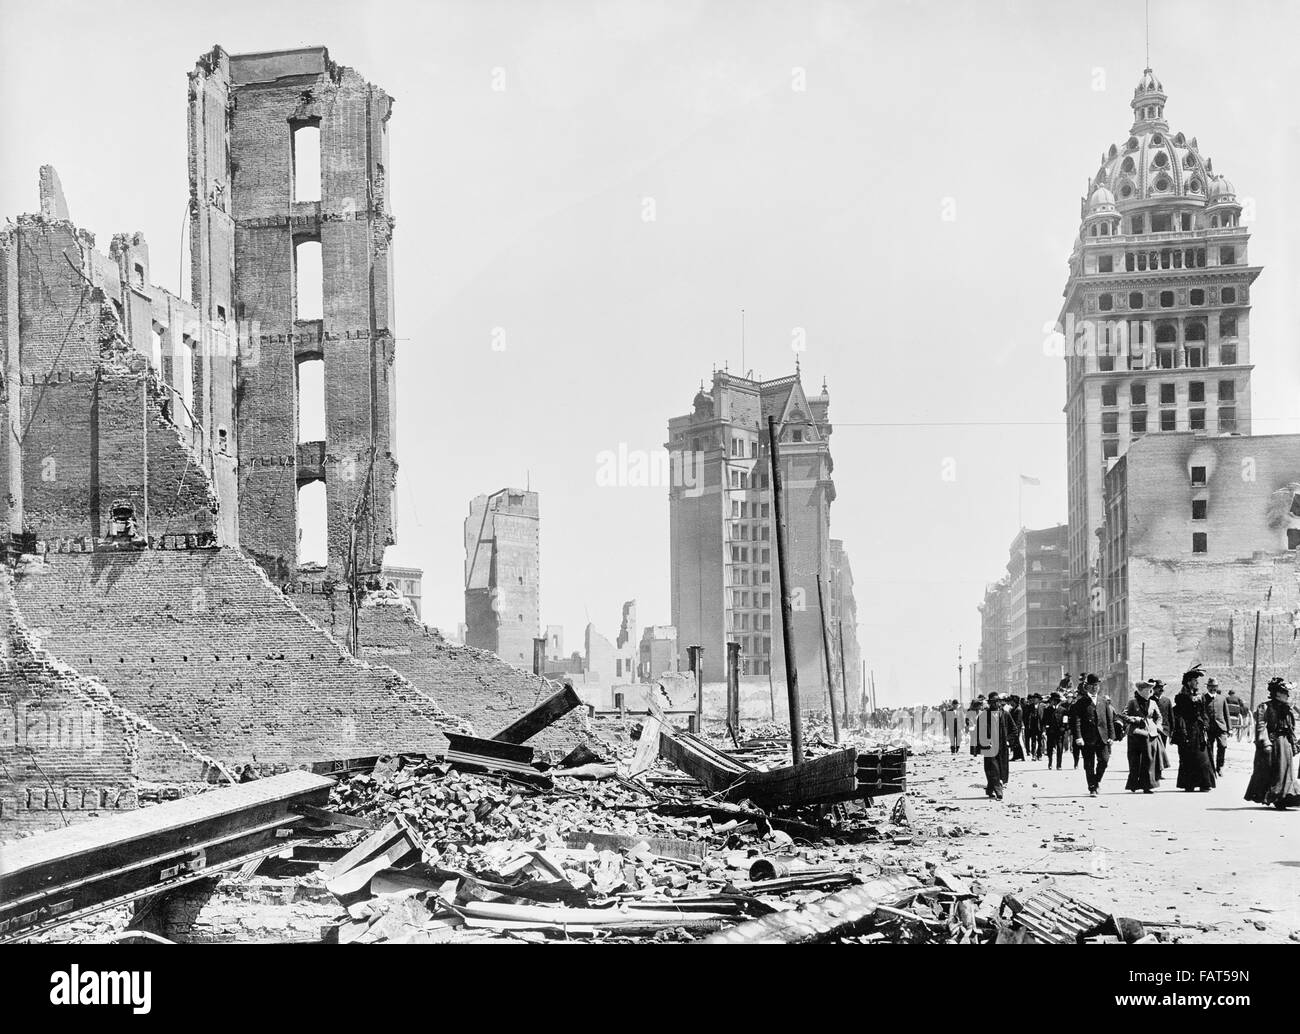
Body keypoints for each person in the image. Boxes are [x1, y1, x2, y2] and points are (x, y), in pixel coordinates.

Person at [1243, 678, 1300, 810]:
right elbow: (1261, 726)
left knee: (1287, 772)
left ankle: (1285, 797)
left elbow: (1292, 725)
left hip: (1286, 742)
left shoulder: (1288, 708)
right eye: (1285, 693)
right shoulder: (1265, 706)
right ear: (1277, 694)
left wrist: (1294, 707)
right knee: (1276, 772)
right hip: (1273, 743)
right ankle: (1277, 798)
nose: (1288, 695)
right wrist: (1265, 743)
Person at [1069, 673, 1122, 796]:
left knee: (1104, 760)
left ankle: (1096, 780)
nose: (1094, 688)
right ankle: (1092, 787)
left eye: (1096, 685)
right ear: (1086, 687)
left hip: (1102, 738)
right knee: (1089, 764)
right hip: (1087, 739)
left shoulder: (1104, 701)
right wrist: (1078, 737)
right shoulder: (1080, 703)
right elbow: (1076, 721)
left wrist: (1111, 736)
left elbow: (1109, 720)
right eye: (1092, 686)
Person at [1171, 665, 1217, 792]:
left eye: (1197, 680)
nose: (1197, 682)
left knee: (1203, 756)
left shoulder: (1200, 696)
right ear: (1188, 682)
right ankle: (1189, 783)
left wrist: (1206, 724)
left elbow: (1203, 713)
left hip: (1199, 730)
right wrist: (1182, 730)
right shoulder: (1181, 697)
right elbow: (1179, 715)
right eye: (1194, 680)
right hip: (1186, 730)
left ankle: (1204, 783)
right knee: (1187, 757)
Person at [1122, 680, 1162, 793]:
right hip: (1135, 734)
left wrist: (1158, 726)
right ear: (1140, 691)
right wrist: (1136, 719)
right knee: (1134, 760)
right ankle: (1133, 784)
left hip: (1149, 734)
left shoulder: (1153, 703)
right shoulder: (1132, 702)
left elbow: (1159, 717)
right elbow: (1124, 715)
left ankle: (1147, 785)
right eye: (1147, 690)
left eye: (1151, 690)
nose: (1150, 692)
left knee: (1148, 759)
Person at [974, 691, 1013, 800]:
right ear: (990, 703)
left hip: (1002, 747)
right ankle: (998, 790)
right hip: (989, 747)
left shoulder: (1005, 714)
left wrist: (1008, 740)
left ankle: (990, 789)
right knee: (992, 769)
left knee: (999, 769)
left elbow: (1014, 729)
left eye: (997, 702)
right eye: (993, 702)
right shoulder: (983, 716)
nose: (996, 704)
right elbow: (978, 732)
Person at [1203, 677, 1232, 777]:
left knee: (1223, 746)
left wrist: (1230, 728)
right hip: (1209, 728)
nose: (1213, 689)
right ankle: (1211, 768)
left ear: (1217, 687)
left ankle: (1220, 767)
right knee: (1209, 748)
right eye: (1211, 687)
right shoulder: (1203, 698)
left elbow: (1226, 714)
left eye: (1215, 687)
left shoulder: (1222, 698)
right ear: (1207, 687)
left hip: (1221, 727)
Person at [1151, 679, 1172, 771]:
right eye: (1159, 688)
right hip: (1152, 729)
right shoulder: (1149, 700)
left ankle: (1159, 771)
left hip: (1164, 730)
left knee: (1162, 750)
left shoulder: (1167, 701)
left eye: (1162, 688)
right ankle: (1154, 771)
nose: (1161, 690)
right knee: (1153, 750)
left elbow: (1171, 717)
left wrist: (1172, 732)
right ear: (1154, 689)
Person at [1044, 688, 1068, 769]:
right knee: (1050, 747)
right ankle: (1050, 762)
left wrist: (1064, 728)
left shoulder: (1063, 710)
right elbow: (1045, 720)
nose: (1052, 702)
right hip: (1050, 732)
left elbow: (1065, 721)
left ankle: (1059, 764)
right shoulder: (1047, 710)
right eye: (1051, 700)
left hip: (1060, 732)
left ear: (1057, 701)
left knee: (1060, 747)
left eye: (1053, 700)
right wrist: (1046, 728)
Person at [1007, 695, 1025, 761]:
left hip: (1016, 728)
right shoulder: (1013, 709)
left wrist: (1016, 730)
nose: (1010, 702)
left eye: (1011, 701)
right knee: (1014, 743)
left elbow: (1018, 721)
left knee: (1017, 742)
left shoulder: (1019, 710)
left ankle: (1021, 756)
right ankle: (1016, 756)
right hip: (1013, 728)